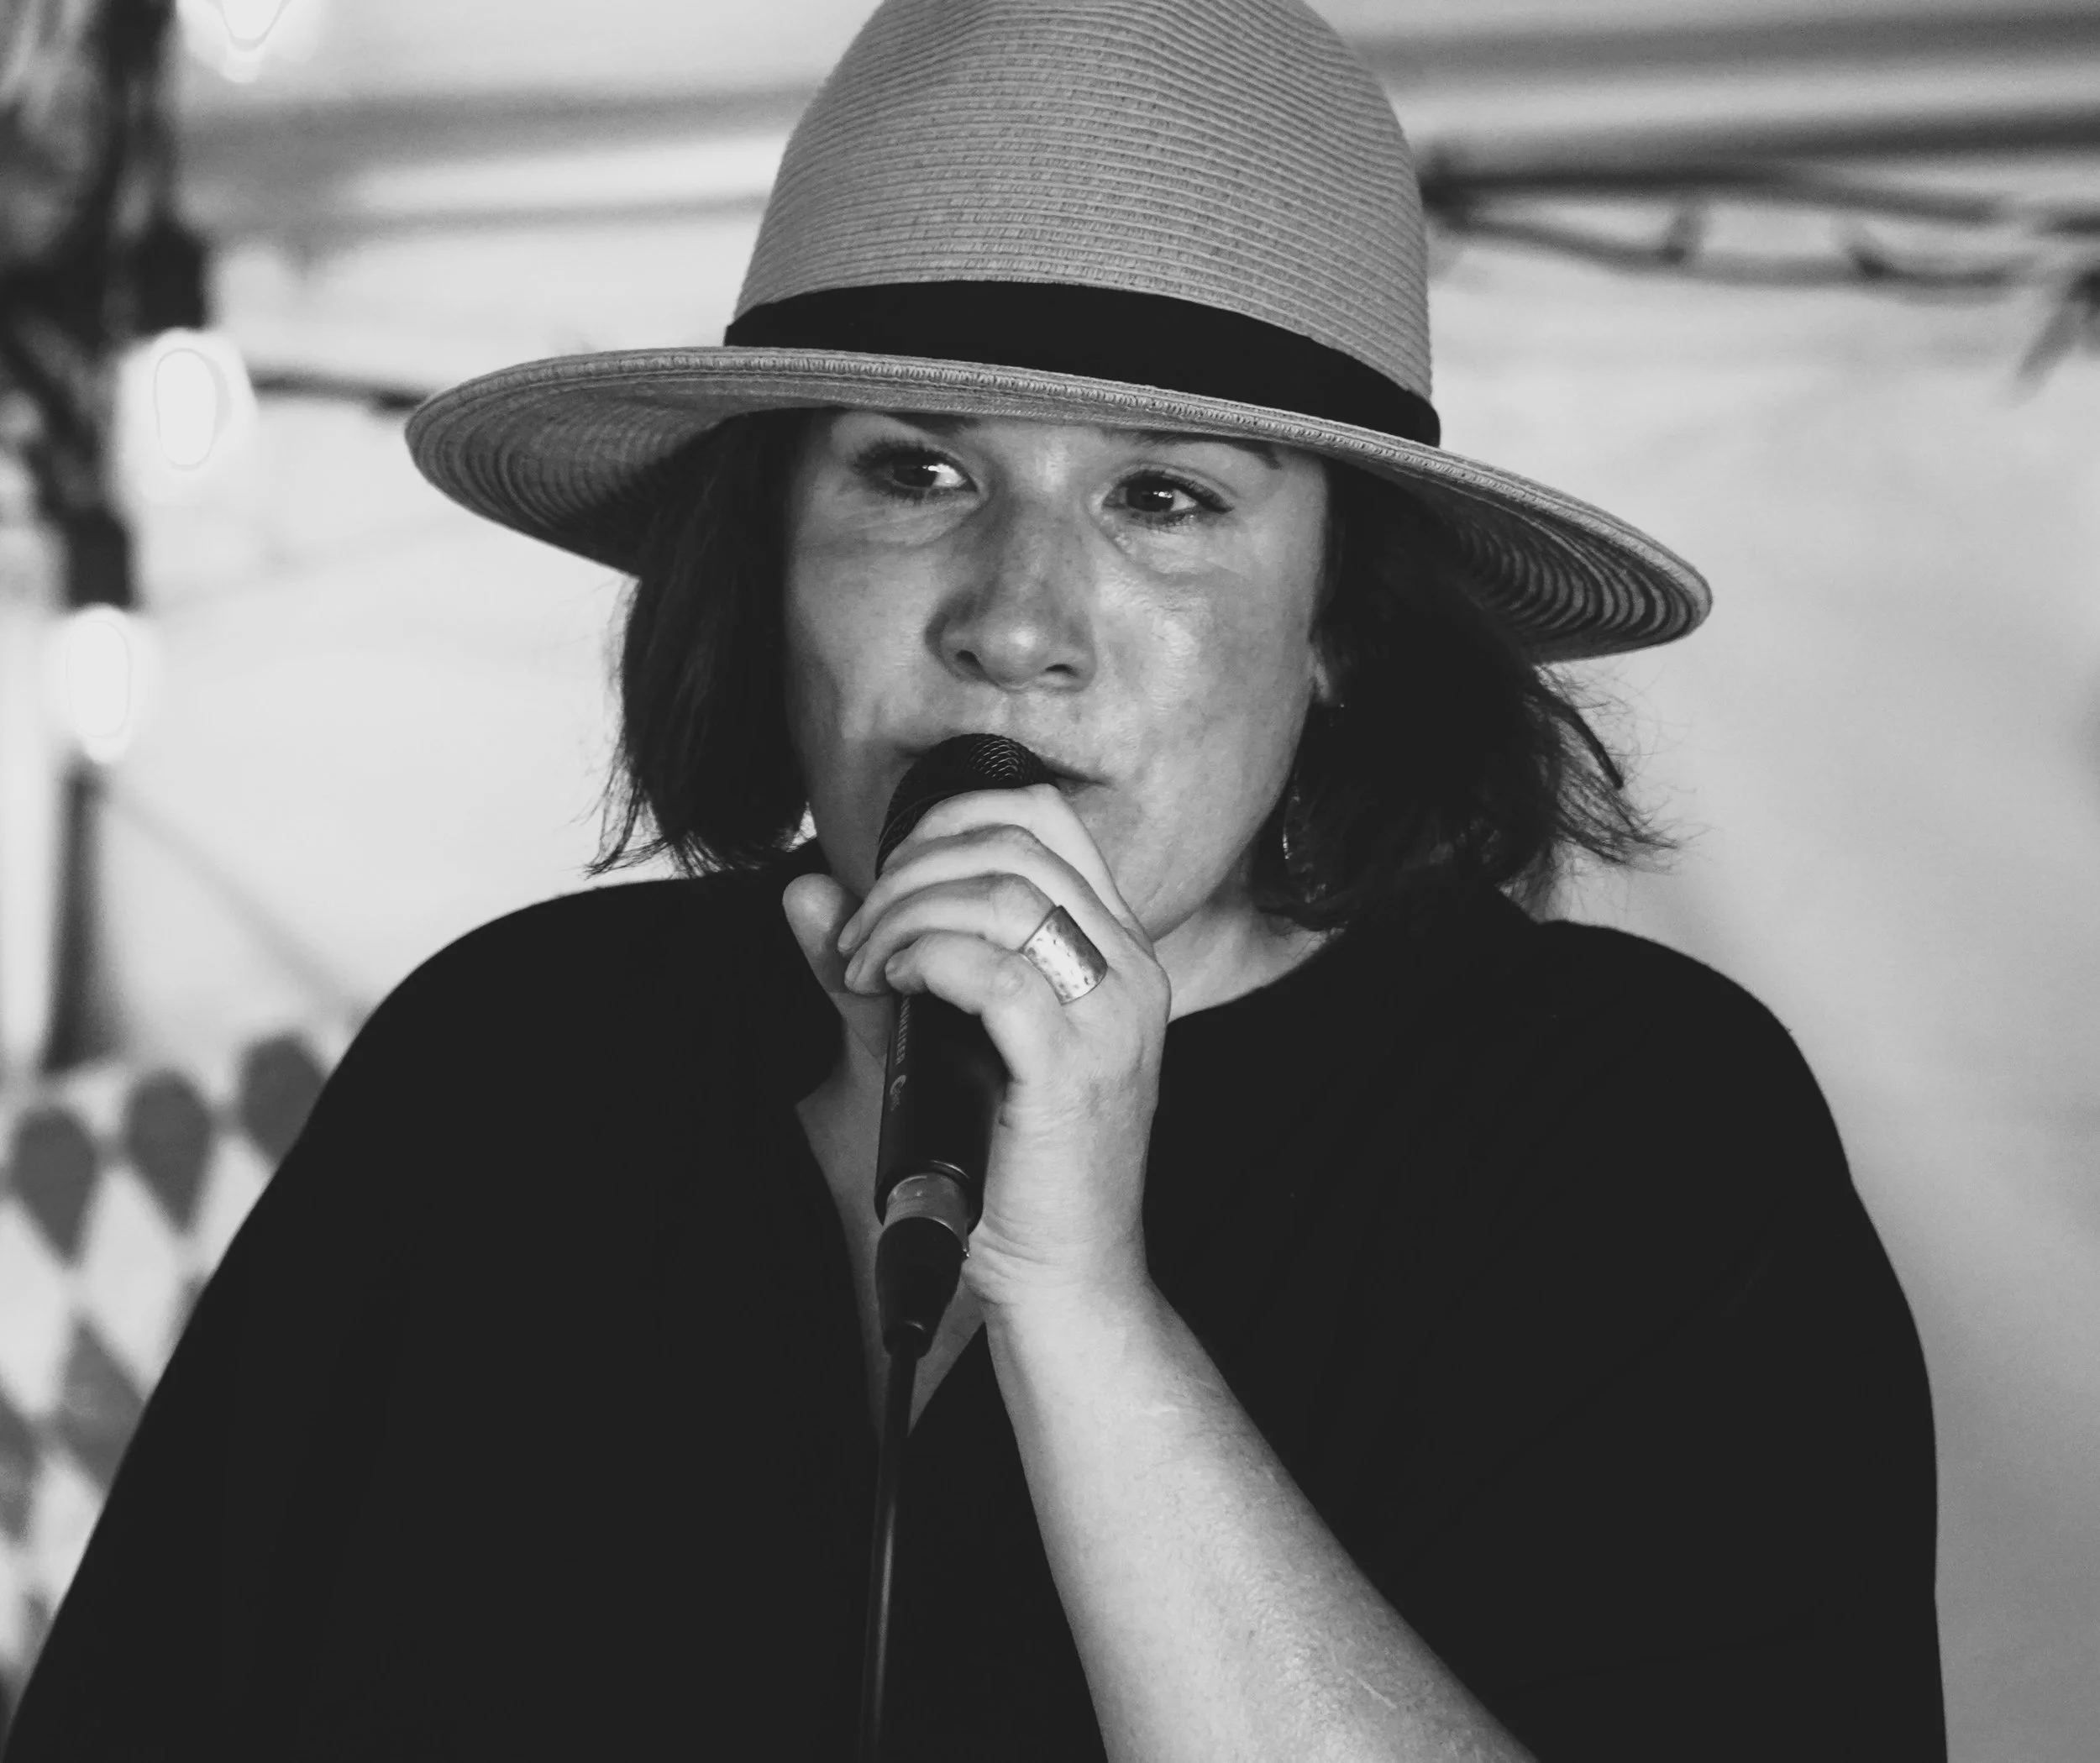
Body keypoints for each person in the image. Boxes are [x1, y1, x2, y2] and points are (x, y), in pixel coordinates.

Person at [6, 2, 1945, 1759]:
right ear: (763, 551)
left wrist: (1077, 1301)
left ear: (1338, 615)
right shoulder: (507, 1062)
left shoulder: (1628, 1131)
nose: (1015, 623)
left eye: (1162, 498)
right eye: (912, 473)